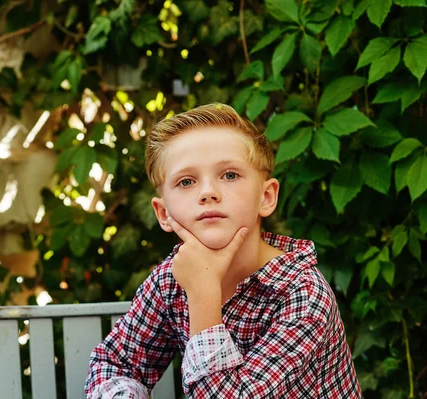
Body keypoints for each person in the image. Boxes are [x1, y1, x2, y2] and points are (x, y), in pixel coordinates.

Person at [84, 103, 361, 398]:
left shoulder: (302, 294)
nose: (208, 192)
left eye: (229, 175)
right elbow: (115, 364)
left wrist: (203, 294)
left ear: (266, 197)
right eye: (186, 181)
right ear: (164, 213)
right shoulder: (170, 281)